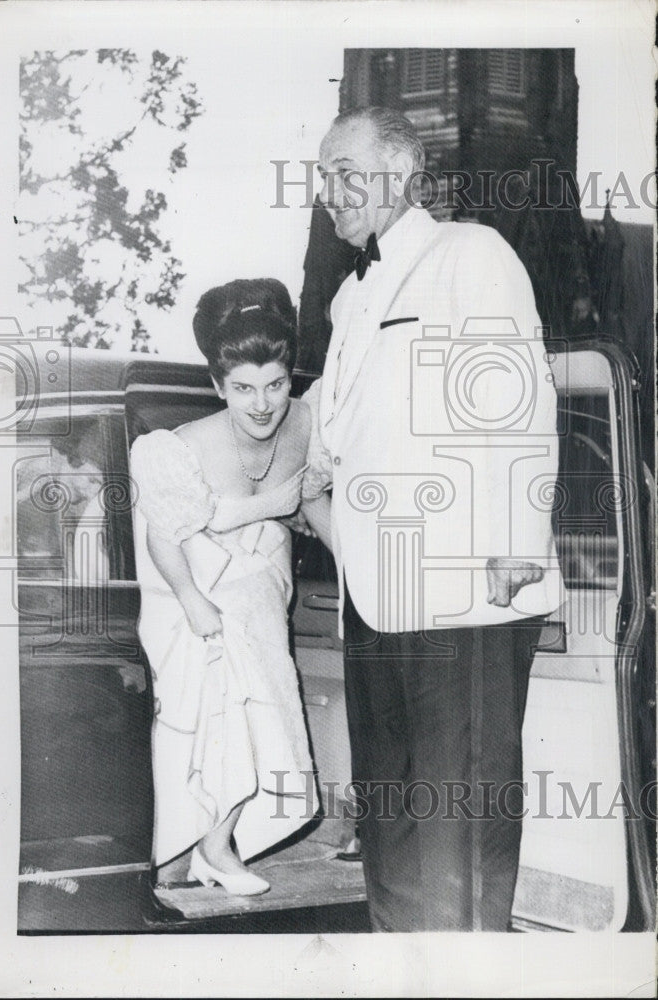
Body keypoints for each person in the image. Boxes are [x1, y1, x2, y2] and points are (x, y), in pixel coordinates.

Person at [309, 107, 564, 931]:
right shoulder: (351, 297)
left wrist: (514, 553)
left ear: (399, 170)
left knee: (459, 814)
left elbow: (517, 405)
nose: (329, 193)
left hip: (464, 593)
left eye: (345, 172)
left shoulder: (469, 254)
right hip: (373, 596)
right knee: (389, 817)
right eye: (321, 177)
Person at [130, 279, 330, 897]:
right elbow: (166, 535)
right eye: (243, 388)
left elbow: (314, 500)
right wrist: (194, 600)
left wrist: (355, 570)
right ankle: (202, 852)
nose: (262, 403)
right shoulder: (179, 447)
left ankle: (217, 849)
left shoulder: (308, 424)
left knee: (265, 716)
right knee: (208, 717)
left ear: (289, 377)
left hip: (262, 594)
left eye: (274, 384)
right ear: (219, 386)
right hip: (194, 591)